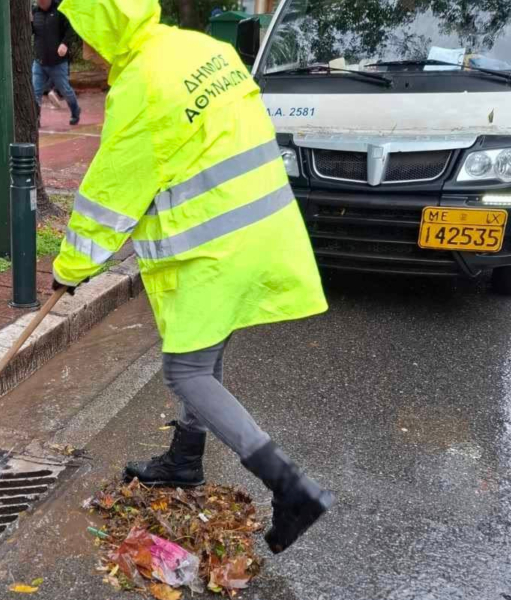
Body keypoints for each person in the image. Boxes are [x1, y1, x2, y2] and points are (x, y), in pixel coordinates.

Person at [50, 0, 334, 554]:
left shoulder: (141, 85)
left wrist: (69, 269)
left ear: (104, 26)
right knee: (206, 346)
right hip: (264, 226)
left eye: (83, 27)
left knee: (186, 371)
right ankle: (185, 458)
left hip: (215, 245)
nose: (81, 41)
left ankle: (291, 487)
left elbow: (111, 195)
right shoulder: (203, 48)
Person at [32, 0, 81, 125]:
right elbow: (31, 31)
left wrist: (65, 44)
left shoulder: (59, 10)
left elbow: (71, 29)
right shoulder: (34, 12)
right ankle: (35, 119)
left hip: (57, 62)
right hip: (39, 61)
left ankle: (75, 110)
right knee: (35, 91)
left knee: (64, 89)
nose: (40, 2)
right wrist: (29, 23)